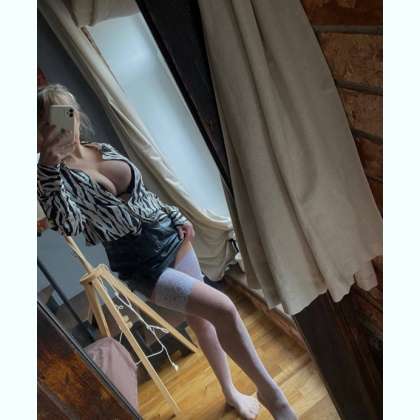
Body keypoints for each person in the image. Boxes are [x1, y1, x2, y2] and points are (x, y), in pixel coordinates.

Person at [37, 84, 297, 420]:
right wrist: (48, 167)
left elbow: (142, 194)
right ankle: (273, 396)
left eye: (65, 114)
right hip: (142, 264)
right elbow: (69, 224)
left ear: (74, 115)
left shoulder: (99, 148)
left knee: (202, 321)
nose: (61, 127)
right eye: (48, 122)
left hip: (172, 236)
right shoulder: (52, 179)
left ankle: (230, 391)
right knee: (224, 308)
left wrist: (175, 214)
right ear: (39, 132)